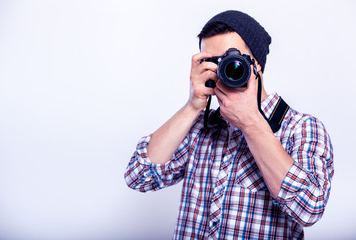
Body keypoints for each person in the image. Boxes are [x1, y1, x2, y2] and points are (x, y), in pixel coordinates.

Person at [124, 10, 334, 239]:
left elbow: (310, 208)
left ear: (257, 65)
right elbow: (139, 176)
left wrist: (251, 124)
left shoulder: (301, 128)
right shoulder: (201, 126)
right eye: (212, 61)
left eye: (232, 59)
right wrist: (192, 106)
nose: (223, 69)